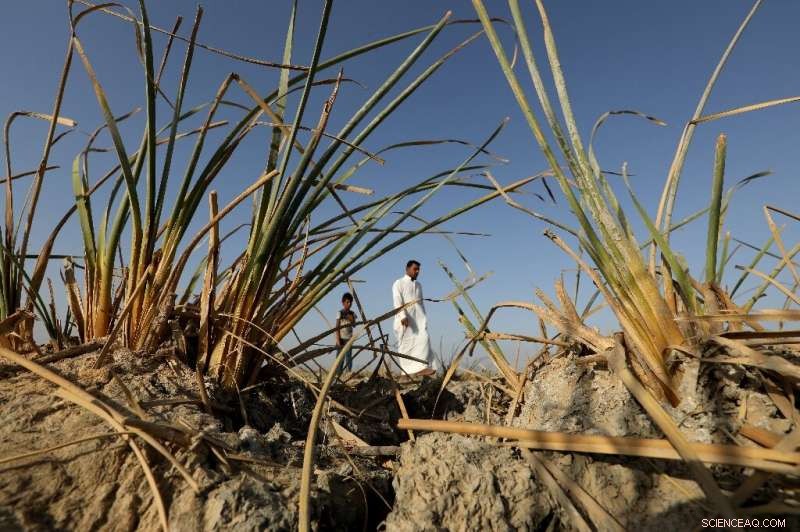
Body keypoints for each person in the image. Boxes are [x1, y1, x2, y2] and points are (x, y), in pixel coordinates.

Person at [392, 260, 436, 377]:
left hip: (418, 321)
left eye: (418, 269)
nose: (417, 271)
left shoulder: (419, 285)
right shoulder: (399, 283)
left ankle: (422, 367)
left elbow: (421, 304)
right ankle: (406, 373)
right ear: (407, 269)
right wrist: (402, 316)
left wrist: (424, 319)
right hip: (404, 321)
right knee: (405, 346)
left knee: (424, 339)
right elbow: (397, 300)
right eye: (415, 269)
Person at [335, 292, 356, 373]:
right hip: (341, 338)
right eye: (347, 302)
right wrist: (338, 340)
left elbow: (354, 325)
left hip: (349, 338)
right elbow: (337, 327)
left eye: (350, 302)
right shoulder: (340, 313)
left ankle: (348, 373)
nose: (349, 304)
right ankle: (338, 373)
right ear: (343, 303)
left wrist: (351, 318)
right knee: (340, 358)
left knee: (348, 357)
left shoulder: (352, 313)